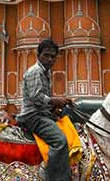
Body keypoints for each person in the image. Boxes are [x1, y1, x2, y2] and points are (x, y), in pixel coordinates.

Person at [17, 39, 72, 181]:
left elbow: (43, 100)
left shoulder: (46, 72)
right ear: (38, 55)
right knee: (60, 140)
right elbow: (37, 97)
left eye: (53, 57)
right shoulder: (35, 71)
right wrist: (55, 100)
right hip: (33, 116)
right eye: (46, 55)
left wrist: (58, 105)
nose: (50, 59)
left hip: (42, 114)